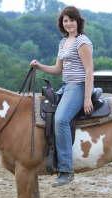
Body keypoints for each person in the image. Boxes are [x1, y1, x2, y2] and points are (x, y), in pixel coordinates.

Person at [30, 6, 94, 187]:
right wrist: (39, 66)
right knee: (43, 111)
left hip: (78, 86)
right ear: (62, 24)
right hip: (66, 86)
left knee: (61, 120)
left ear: (78, 21)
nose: (69, 24)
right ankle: (48, 156)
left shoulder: (82, 42)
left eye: (71, 20)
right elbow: (58, 69)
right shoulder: (63, 42)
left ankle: (66, 169)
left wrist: (87, 97)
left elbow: (89, 71)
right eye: (65, 21)